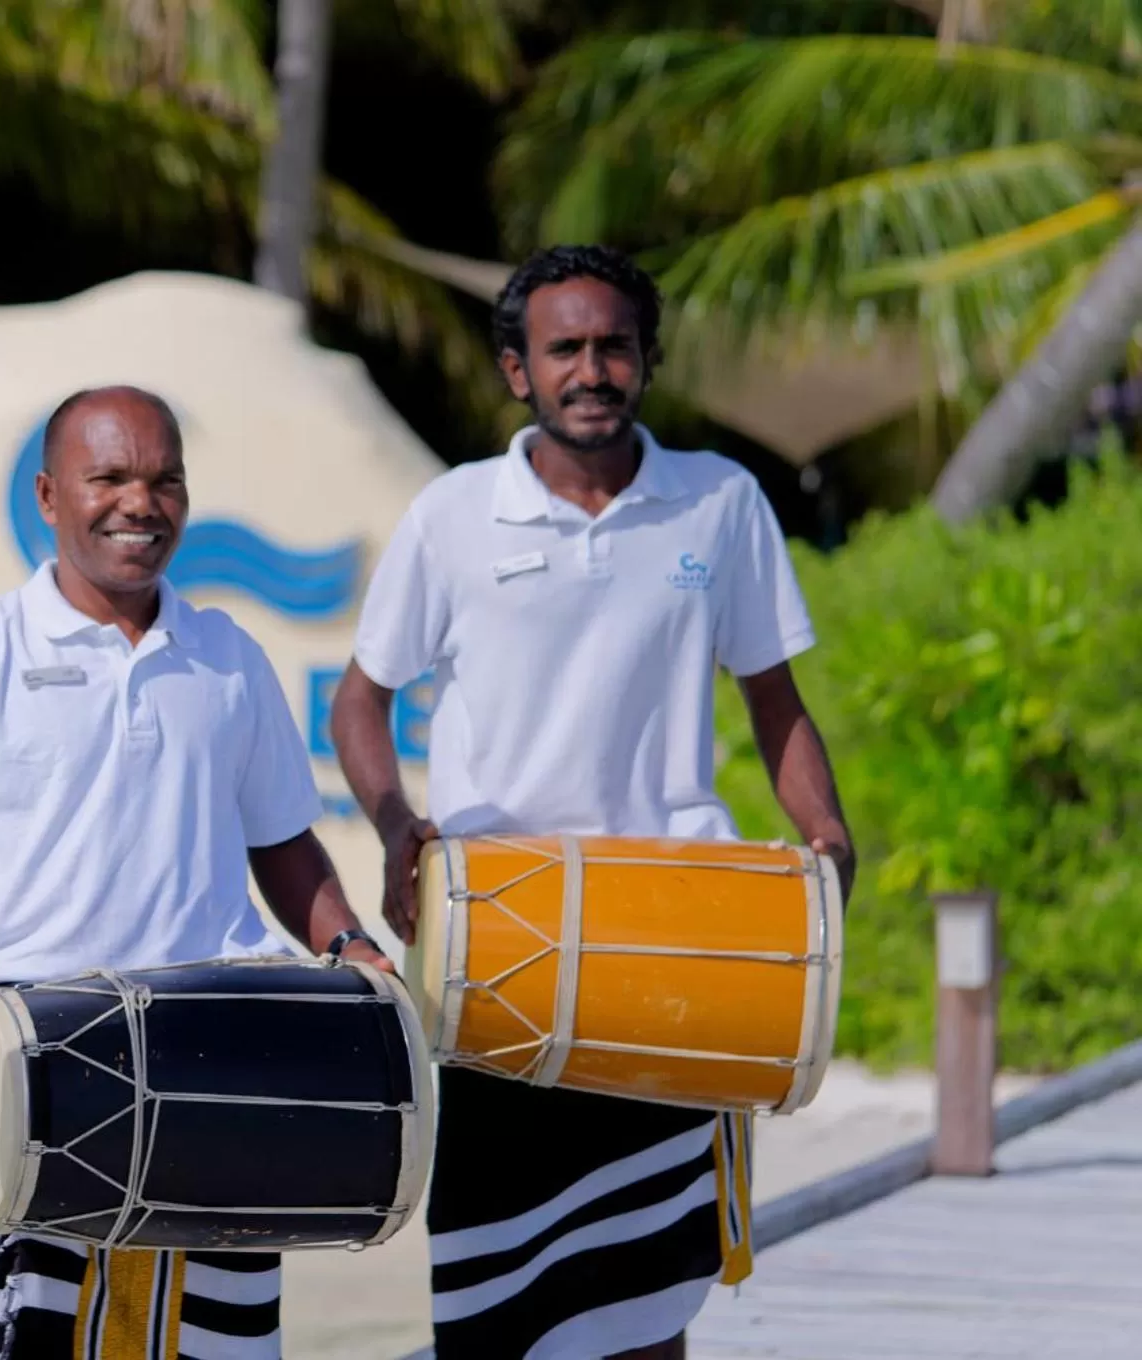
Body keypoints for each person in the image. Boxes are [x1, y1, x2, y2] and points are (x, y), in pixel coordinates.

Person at [330, 244, 855, 1360]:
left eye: (612, 345)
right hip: (497, 944)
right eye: (562, 348)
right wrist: (391, 827)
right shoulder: (451, 514)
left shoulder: (718, 503)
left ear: (646, 361)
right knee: (489, 1301)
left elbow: (774, 701)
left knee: (645, 1297)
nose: (590, 368)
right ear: (516, 371)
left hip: (671, 943)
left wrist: (824, 833)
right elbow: (359, 704)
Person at [0, 384, 393, 1360]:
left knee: (219, 1345)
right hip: (36, 1054)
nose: (138, 504)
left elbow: (282, 838)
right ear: (47, 494)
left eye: (163, 480)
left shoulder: (228, 655)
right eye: (107, 477)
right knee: (27, 1343)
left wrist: (347, 942)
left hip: (216, 1055)